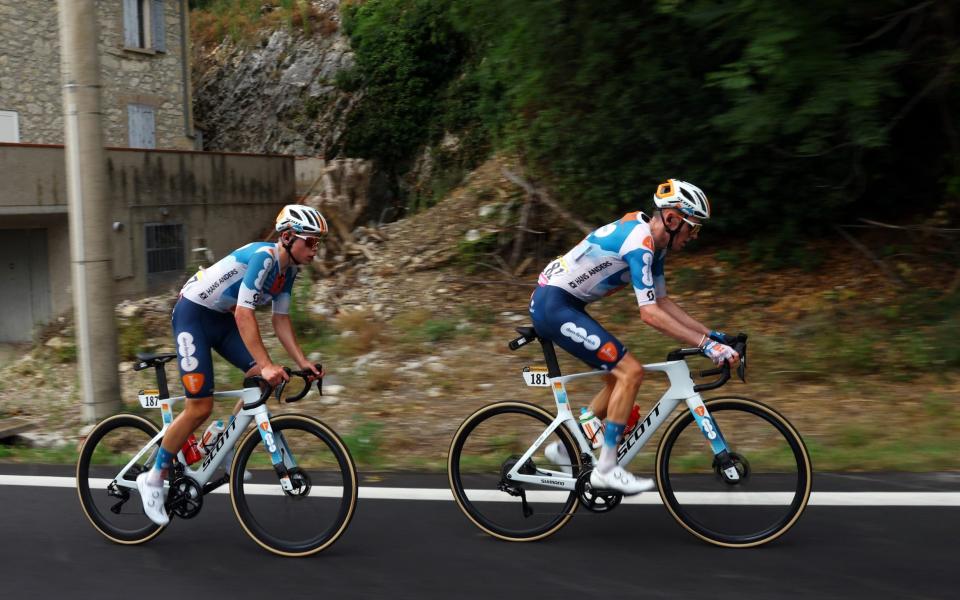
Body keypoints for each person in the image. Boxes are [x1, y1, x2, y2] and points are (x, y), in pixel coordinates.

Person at [531, 179, 740, 494]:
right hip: (554, 306)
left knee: (618, 379)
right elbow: (649, 313)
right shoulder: (640, 243)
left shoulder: (654, 246)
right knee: (631, 371)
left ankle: (565, 450)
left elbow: (663, 301)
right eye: (692, 228)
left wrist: (711, 335)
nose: (693, 236)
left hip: (566, 304)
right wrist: (706, 346)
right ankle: (606, 469)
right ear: (671, 220)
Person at [137, 204, 327, 526]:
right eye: (310, 242)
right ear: (287, 237)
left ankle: (220, 447)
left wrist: (303, 362)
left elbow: (281, 320)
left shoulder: (288, 272)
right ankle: (154, 477)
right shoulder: (265, 258)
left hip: (220, 320)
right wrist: (266, 363)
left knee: (264, 381)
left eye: (317, 244)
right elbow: (244, 314)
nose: (315, 250)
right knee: (200, 406)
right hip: (193, 317)